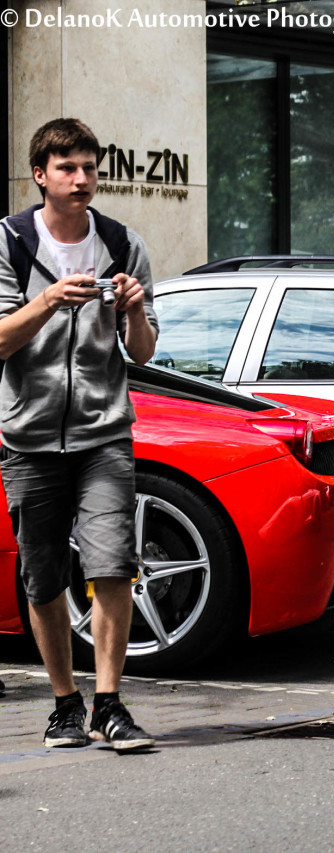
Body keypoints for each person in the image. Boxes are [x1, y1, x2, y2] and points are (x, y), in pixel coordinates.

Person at [0, 118, 159, 752]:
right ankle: (64, 704)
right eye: (68, 168)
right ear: (40, 175)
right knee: (43, 577)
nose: (82, 179)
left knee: (112, 562)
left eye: (90, 167)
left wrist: (135, 309)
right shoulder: (10, 242)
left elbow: (143, 355)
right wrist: (48, 302)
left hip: (103, 436)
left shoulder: (121, 243)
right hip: (28, 437)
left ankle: (109, 704)